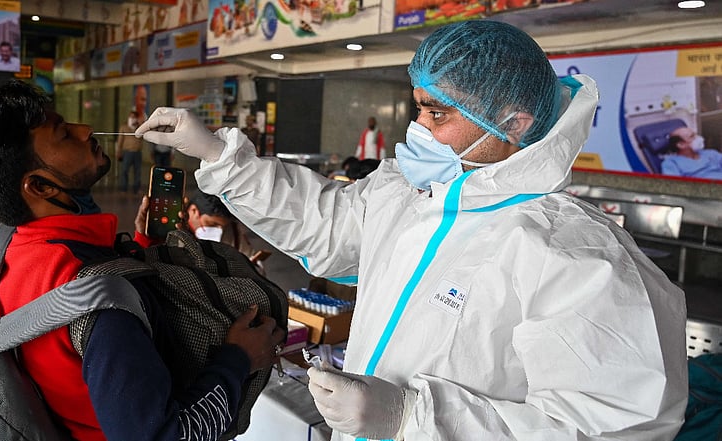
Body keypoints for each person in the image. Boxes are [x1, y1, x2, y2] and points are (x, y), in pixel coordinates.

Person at [136, 20, 688, 440]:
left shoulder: (574, 256)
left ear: (515, 122)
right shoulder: (413, 197)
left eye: (437, 114)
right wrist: (220, 156)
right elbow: (326, 225)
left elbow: (616, 425)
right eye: (417, 107)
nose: (416, 129)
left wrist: (411, 417)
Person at [0, 80, 284, 441]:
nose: (84, 130)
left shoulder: (9, 249)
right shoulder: (100, 305)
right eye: (64, 135)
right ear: (40, 187)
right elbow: (163, 435)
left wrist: (142, 247)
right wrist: (238, 359)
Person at [133, 190, 268, 270]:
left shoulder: (232, 231)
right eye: (212, 223)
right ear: (193, 211)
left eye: (223, 226)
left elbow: (250, 257)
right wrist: (143, 238)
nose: (219, 230)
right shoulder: (173, 231)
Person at [116, 110, 144, 193]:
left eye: (134, 117)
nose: (132, 119)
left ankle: (136, 188)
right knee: (125, 170)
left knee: (137, 171)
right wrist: (118, 151)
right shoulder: (124, 127)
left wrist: (139, 125)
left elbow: (143, 137)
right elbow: (120, 140)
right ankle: (124, 188)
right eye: (131, 117)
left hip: (137, 152)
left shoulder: (140, 127)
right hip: (127, 152)